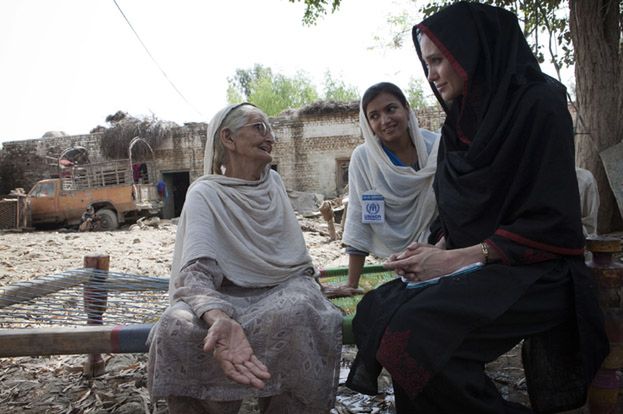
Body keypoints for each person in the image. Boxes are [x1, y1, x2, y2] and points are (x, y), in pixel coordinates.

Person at [345, 3, 608, 413]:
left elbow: (551, 218)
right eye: (426, 62)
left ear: (470, 50)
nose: (430, 74)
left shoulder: (540, 103)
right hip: (477, 268)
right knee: (382, 313)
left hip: (537, 269)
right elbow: (458, 209)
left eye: (437, 60)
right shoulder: (460, 122)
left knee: (417, 336)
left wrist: (456, 260)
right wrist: (435, 249)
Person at [147, 103, 342, 414]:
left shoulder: (273, 185)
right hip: (221, 294)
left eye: (270, 129)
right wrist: (220, 318)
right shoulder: (204, 194)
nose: (270, 137)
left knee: (300, 310)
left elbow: (292, 261)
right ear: (228, 138)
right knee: (177, 326)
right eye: (258, 127)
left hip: (280, 288)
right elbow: (196, 271)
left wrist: (315, 288)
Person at [339, 82, 439, 296]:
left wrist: (440, 253)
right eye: (374, 116)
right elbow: (360, 219)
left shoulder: (438, 148)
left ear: (406, 109)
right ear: (367, 123)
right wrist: (351, 283)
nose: (385, 120)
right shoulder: (364, 159)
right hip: (397, 262)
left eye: (391, 109)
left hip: (441, 250)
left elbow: (452, 208)